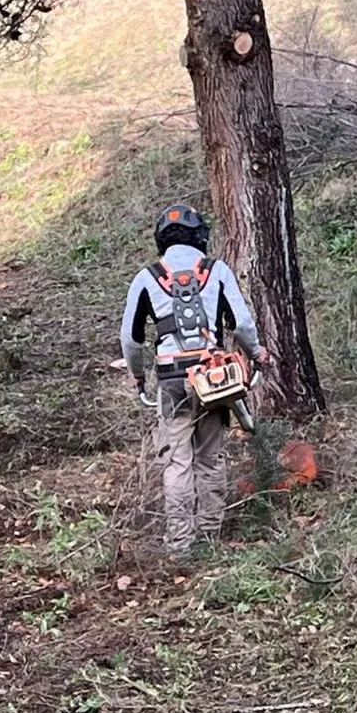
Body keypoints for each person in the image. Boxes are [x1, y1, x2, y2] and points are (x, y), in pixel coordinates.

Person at [119, 205, 269, 552]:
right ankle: (209, 537)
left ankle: (180, 544)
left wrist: (139, 377)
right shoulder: (216, 271)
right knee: (210, 456)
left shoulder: (146, 277)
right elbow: (243, 325)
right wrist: (257, 352)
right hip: (213, 377)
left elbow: (130, 338)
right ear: (200, 236)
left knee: (176, 461)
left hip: (171, 380)